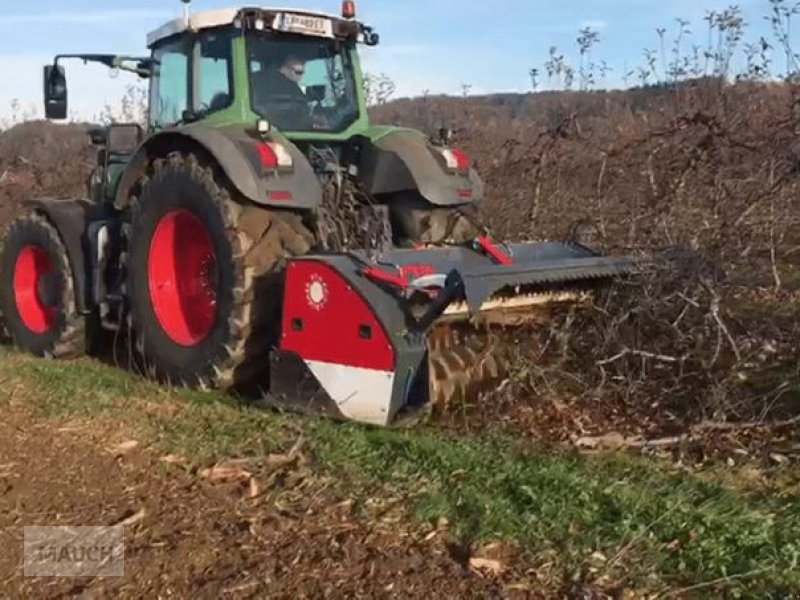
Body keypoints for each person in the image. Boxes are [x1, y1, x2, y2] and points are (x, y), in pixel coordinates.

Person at [252, 54, 312, 130]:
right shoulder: (291, 90)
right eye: (298, 72)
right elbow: (295, 116)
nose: (301, 77)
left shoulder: (254, 80)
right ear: (283, 69)